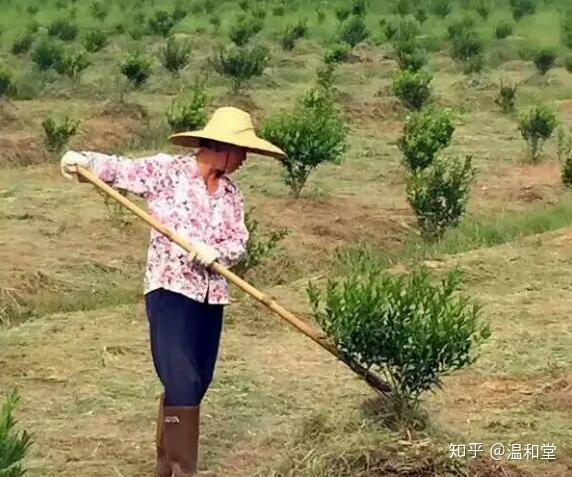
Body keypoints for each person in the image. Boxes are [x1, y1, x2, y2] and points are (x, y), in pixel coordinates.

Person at [60, 107, 286, 477]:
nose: (245, 159)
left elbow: (238, 241)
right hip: (170, 289)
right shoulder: (168, 172)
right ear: (220, 146)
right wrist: (83, 161)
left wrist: (219, 252)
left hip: (211, 296)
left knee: (198, 381)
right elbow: (123, 170)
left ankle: (166, 466)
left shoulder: (231, 194)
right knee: (182, 379)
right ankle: (184, 471)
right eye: (242, 150)